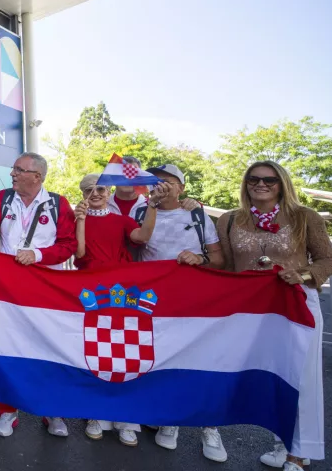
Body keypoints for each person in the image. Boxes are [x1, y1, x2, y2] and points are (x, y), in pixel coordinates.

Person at [216, 161, 332, 471]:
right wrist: (196, 262)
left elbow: (327, 260)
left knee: (301, 376)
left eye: (269, 180)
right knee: (268, 375)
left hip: (295, 304)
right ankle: (284, 441)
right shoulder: (229, 220)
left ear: (282, 183)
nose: (261, 184)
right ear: (246, 184)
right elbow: (227, 267)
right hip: (251, 310)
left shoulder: (304, 217)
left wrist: (305, 275)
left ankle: (297, 452)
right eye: (254, 179)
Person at [0, 152, 77, 438]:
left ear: (37, 176)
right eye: (13, 169)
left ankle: (53, 412)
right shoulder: (3, 198)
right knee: (9, 347)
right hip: (6, 288)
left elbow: (67, 245)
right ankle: (7, 411)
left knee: (47, 349)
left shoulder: (58, 204)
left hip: (44, 290)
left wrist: (36, 254)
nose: (12, 174)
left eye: (18, 170)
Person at [72, 173, 169, 446]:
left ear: (108, 190)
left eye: (100, 188)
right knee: (95, 348)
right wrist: (80, 220)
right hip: (90, 292)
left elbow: (142, 236)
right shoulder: (76, 218)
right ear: (82, 192)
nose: (95, 193)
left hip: (122, 293)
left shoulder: (121, 220)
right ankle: (96, 413)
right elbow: (79, 254)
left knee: (126, 349)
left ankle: (127, 418)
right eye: (88, 189)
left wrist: (152, 206)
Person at [137, 163, 225, 460]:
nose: (160, 185)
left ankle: (210, 428)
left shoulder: (197, 214)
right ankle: (169, 421)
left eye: (168, 181)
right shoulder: (140, 212)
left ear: (181, 187)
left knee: (202, 362)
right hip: (155, 305)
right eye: (155, 181)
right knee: (163, 362)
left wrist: (200, 258)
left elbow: (218, 259)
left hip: (195, 304)